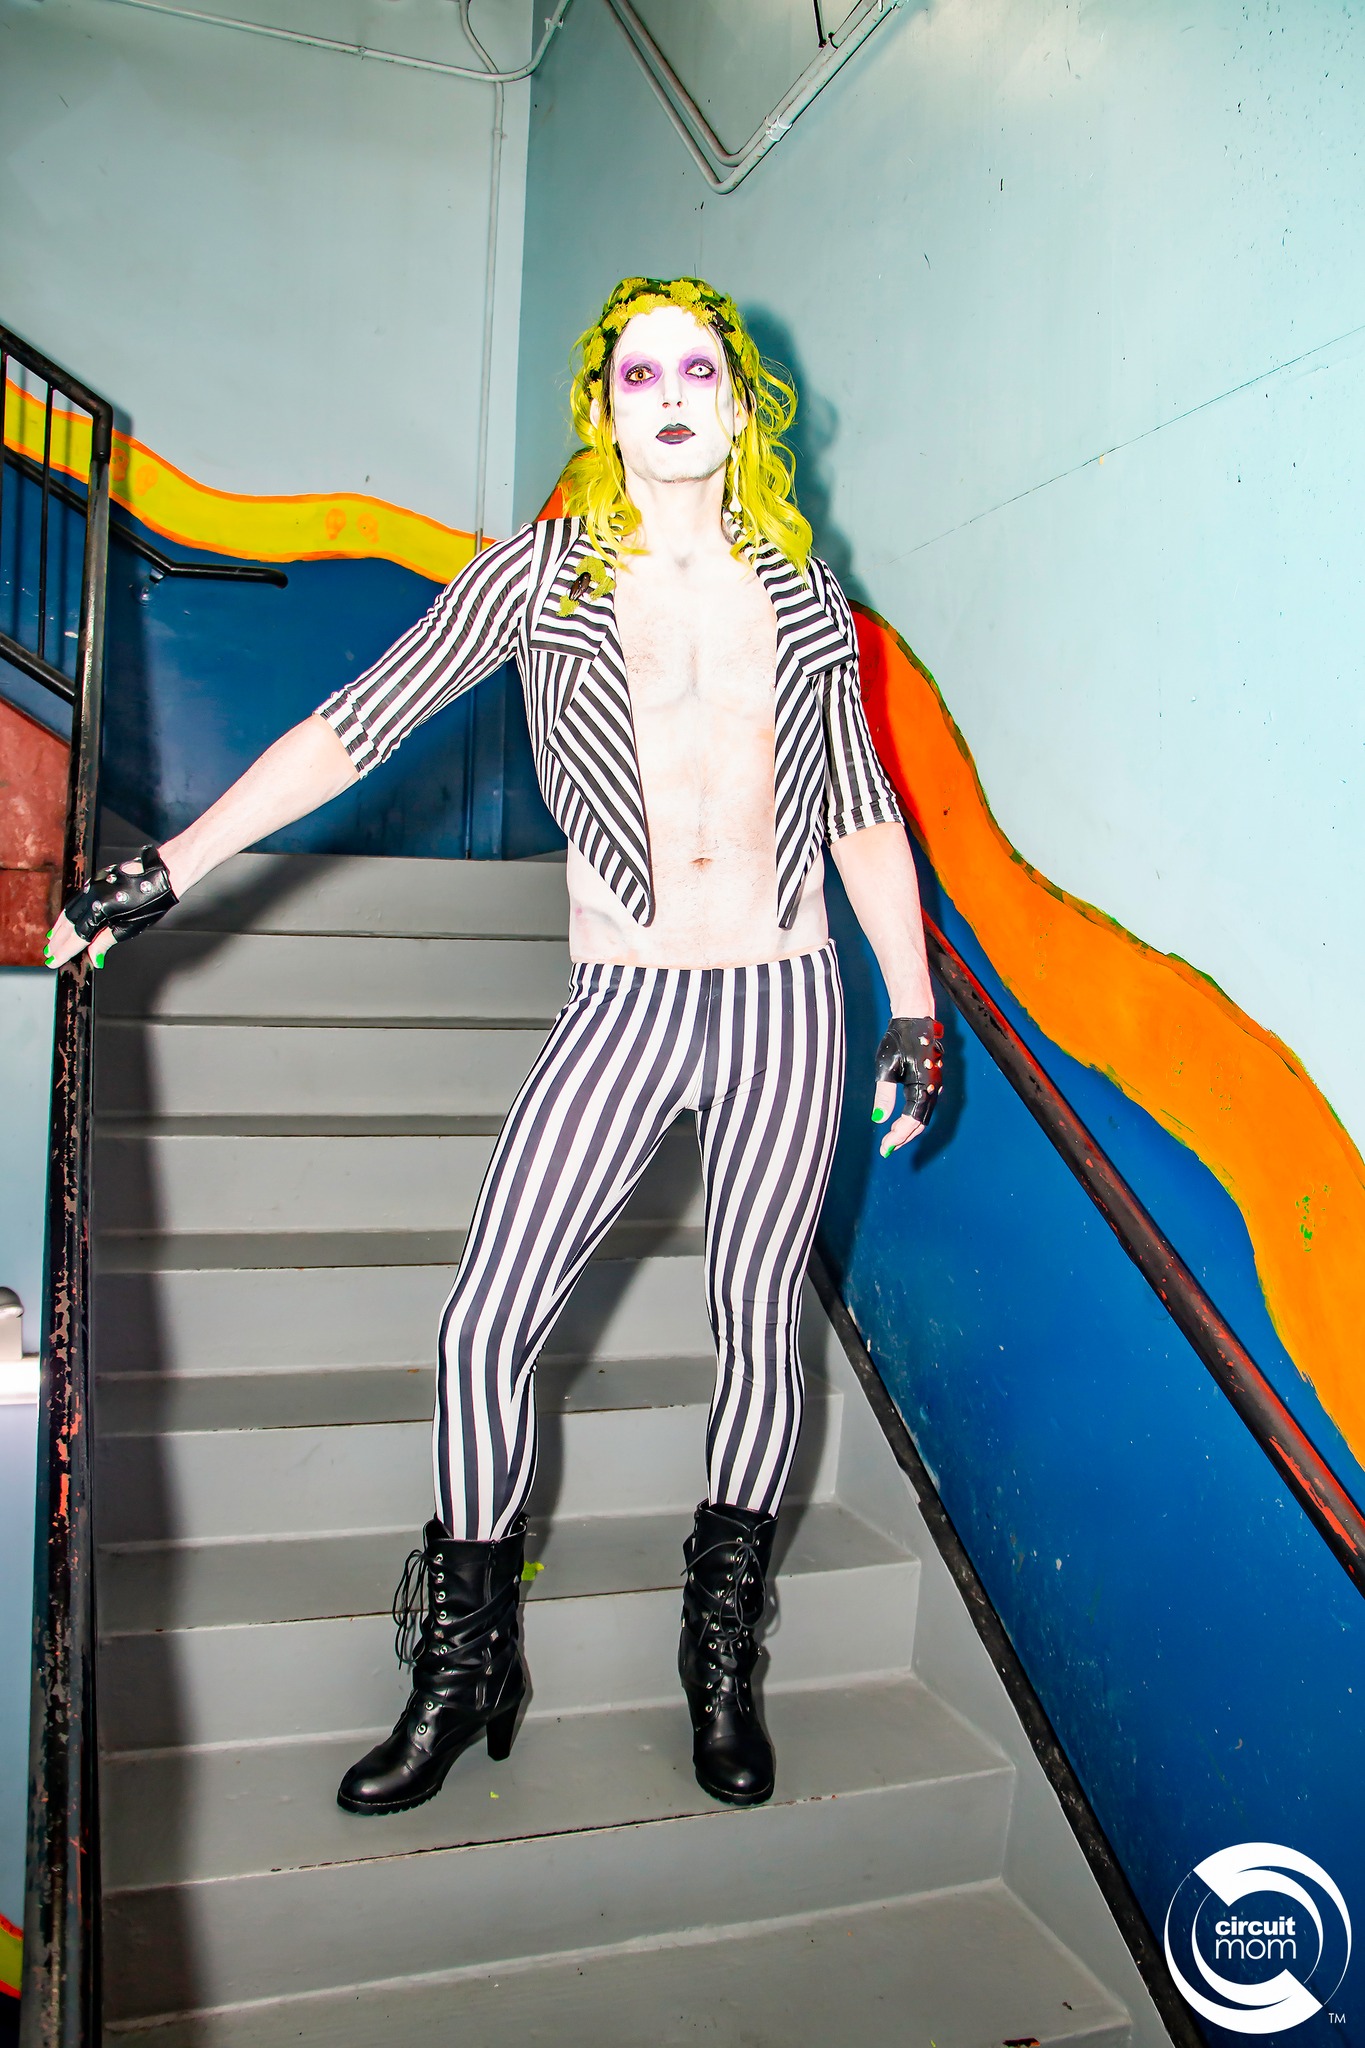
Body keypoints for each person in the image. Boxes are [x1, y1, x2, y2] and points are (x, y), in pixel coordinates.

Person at [47, 275, 943, 1816]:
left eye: (698, 371)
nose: (670, 396)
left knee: (756, 1322)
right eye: (638, 374)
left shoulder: (799, 589)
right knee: (481, 1328)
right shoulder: (543, 575)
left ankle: (717, 1653)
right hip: (626, 1000)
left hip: (786, 997)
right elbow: (359, 721)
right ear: (601, 409)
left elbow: (859, 805)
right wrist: (172, 866)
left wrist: (913, 1007)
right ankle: (469, 1659)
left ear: (740, 404)